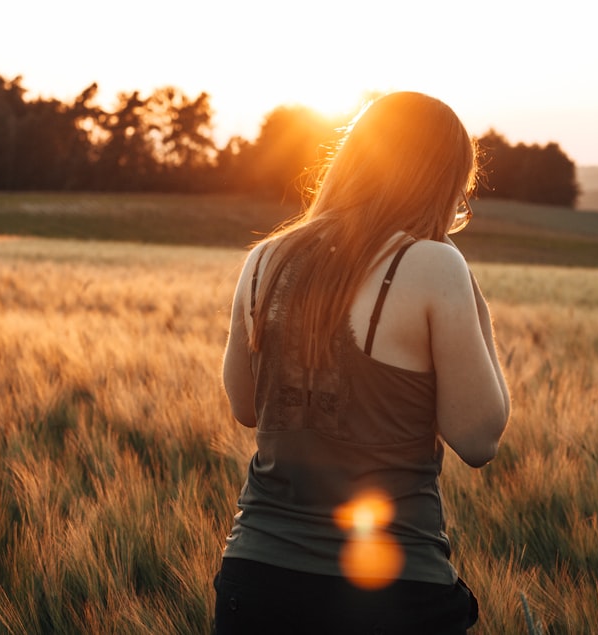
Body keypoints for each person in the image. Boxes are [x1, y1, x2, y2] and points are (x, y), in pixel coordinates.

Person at [216, 91, 510, 634]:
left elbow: (245, 405)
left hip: (255, 580)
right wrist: (471, 297)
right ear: (442, 181)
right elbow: (478, 439)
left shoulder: (265, 260)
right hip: (391, 590)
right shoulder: (432, 263)